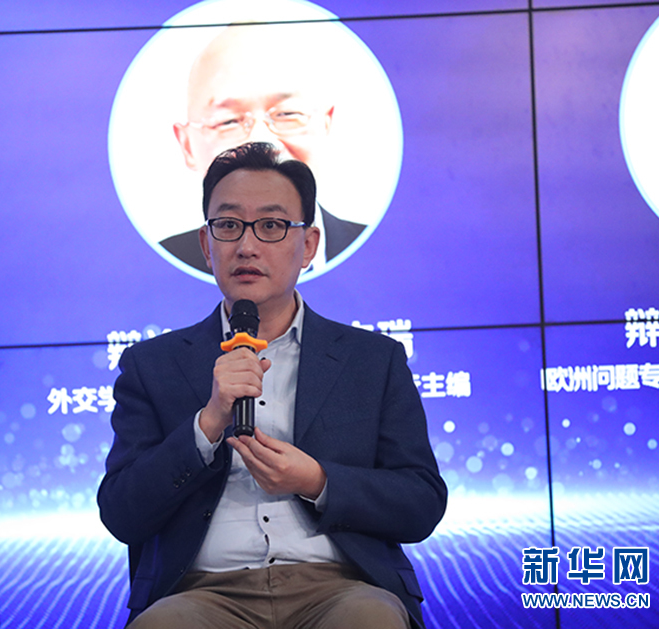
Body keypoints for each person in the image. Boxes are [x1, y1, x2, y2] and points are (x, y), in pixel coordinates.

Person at [98, 142, 447, 629]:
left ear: (309, 244)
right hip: (203, 593)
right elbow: (122, 513)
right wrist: (206, 425)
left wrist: (317, 481)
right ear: (206, 245)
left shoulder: (372, 360)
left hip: (339, 587)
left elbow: (420, 502)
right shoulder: (151, 365)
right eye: (228, 225)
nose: (246, 246)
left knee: (371, 619)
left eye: (271, 225)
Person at [161, 22, 366, 274]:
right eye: (228, 121)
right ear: (187, 145)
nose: (261, 141)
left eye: (287, 114)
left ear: (325, 125)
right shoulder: (158, 267)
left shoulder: (384, 254)